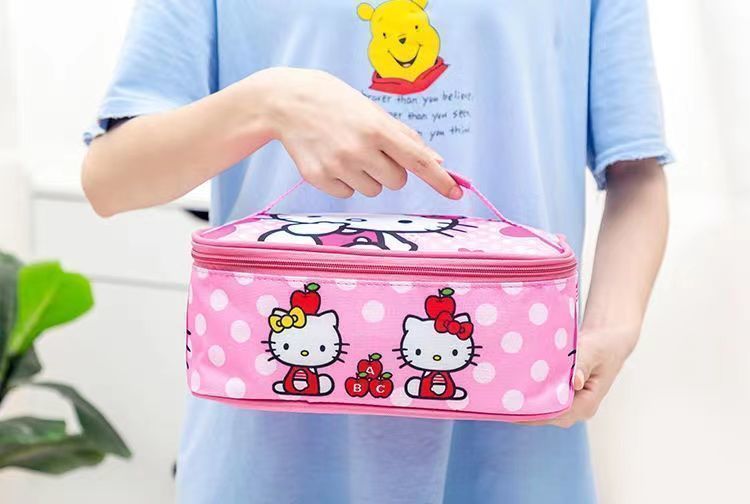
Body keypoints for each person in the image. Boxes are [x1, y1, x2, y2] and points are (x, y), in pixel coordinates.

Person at [81, 1, 672, 502]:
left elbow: (636, 171)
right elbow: (111, 180)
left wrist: (610, 330)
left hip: (515, 451)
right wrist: (271, 101)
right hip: (268, 454)